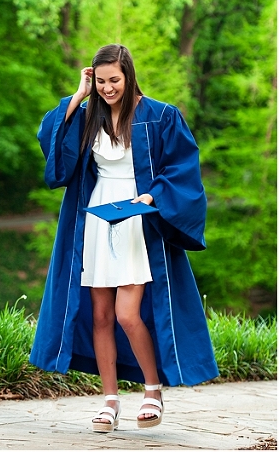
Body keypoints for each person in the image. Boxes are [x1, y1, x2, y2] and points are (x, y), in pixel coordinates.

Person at [29, 44, 218, 432]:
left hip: (136, 217)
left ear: (129, 75)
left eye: (114, 80)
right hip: (96, 217)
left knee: (126, 314)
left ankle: (152, 391)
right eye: (100, 81)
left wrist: (152, 195)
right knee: (99, 315)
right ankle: (110, 400)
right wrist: (79, 94)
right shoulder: (87, 115)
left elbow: (182, 168)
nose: (107, 88)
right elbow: (51, 137)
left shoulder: (160, 115)